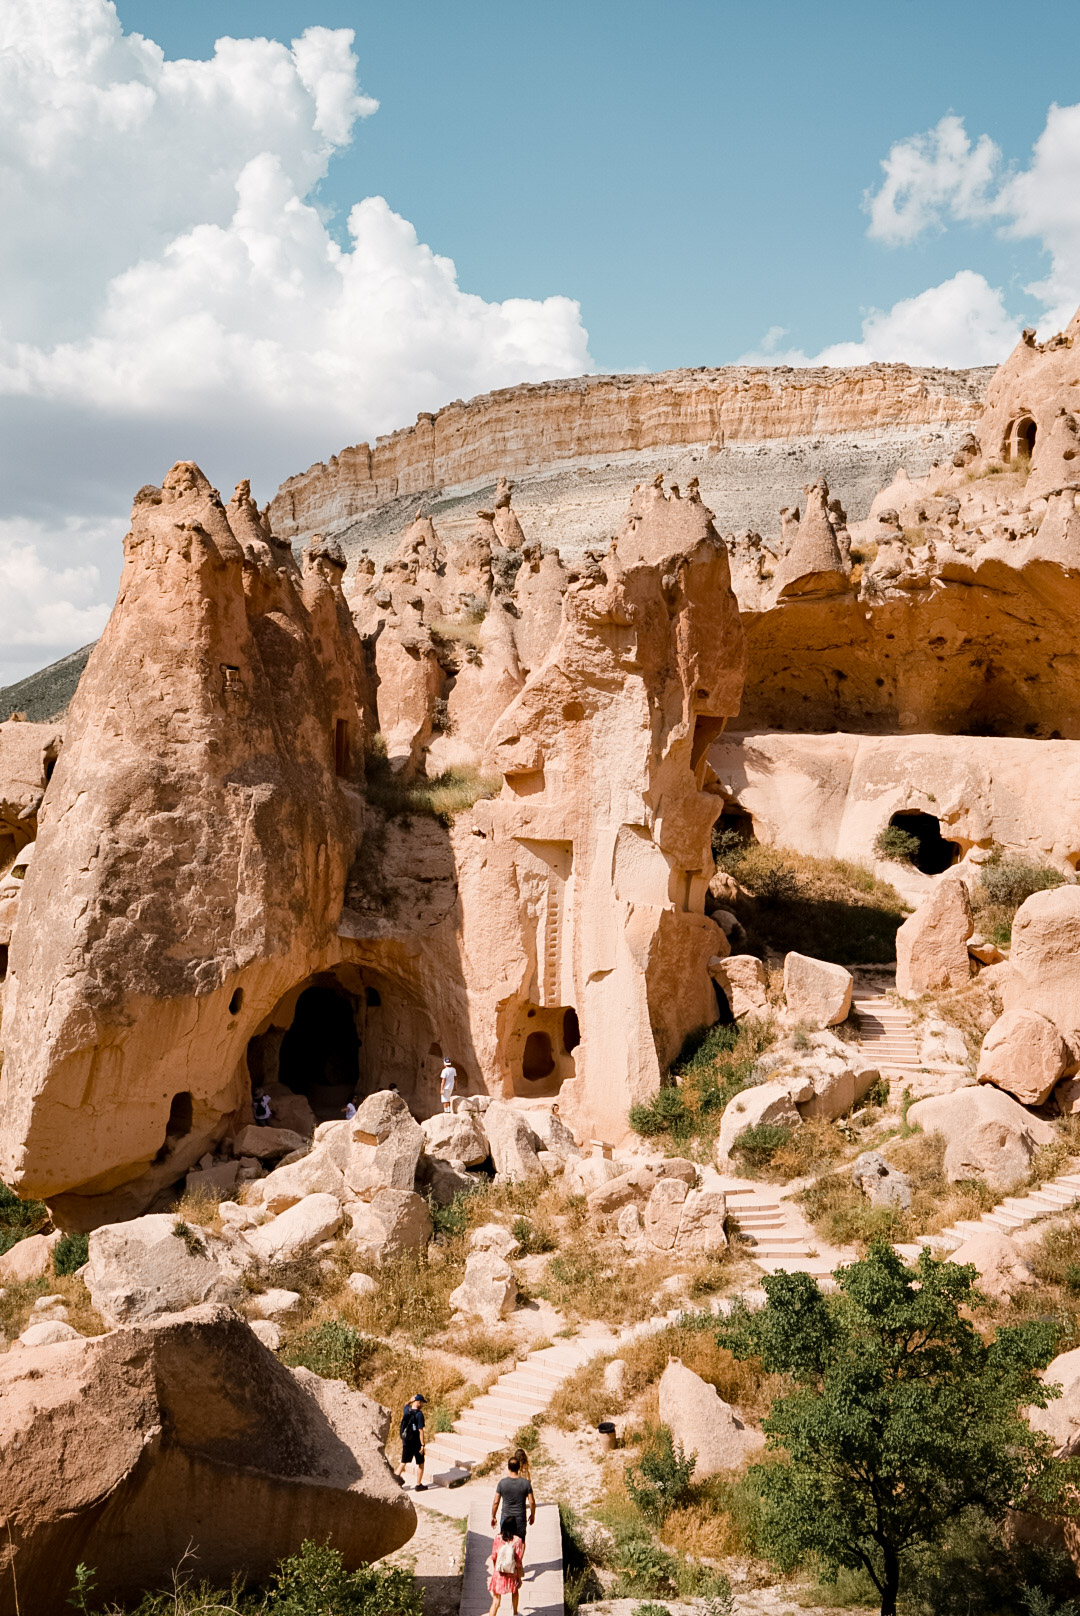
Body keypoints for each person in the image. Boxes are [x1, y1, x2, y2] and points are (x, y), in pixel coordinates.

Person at [491, 1453, 534, 1544]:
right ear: (519, 1467)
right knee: (521, 1542)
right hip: (520, 1518)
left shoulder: (502, 1483)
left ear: (508, 1468)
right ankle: (519, 1558)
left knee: (504, 1542)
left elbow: (496, 1502)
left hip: (506, 1518)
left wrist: (493, 1516)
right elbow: (532, 1502)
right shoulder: (526, 1483)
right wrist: (532, 1514)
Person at [397, 1393, 427, 1490]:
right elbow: (420, 1431)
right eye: (422, 1402)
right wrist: (422, 1444)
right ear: (418, 1402)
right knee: (421, 1463)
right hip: (416, 1443)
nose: (422, 1404)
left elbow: (405, 1404)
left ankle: (395, 1481)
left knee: (403, 1462)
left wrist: (410, 1400)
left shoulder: (407, 1410)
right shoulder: (419, 1414)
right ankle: (418, 1485)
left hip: (406, 1442)